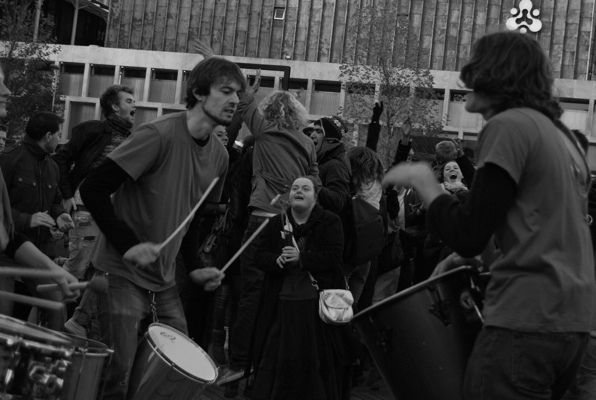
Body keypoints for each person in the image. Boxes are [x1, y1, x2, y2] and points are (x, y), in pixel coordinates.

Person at [383, 31, 594, 400]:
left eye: (474, 64)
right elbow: (539, 227)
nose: (465, 77)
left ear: (495, 74)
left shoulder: (509, 126)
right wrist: (467, 256)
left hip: (523, 320)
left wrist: (425, 184)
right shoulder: (561, 137)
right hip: (571, 325)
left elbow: (468, 231)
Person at [78, 57, 240, 400]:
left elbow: (192, 218)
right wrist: (128, 244)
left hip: (163, 280)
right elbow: (93, 187)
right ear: (197, 92)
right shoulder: (157, 134)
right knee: (116, 374)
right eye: (226, 91)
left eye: (237, 93)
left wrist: (195, 266)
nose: (235, 100)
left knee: (179, 373)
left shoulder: (220, 156)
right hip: (121, 271)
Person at [219, 89, 319, 390]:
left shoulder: (263, 129)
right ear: (297, 113)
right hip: (289, 226)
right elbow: (315, 181)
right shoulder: (306, 142)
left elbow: (244, 99)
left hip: (262, 218)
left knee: (251, 295)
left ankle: (238, 365)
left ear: (270, 111)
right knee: (278, 296)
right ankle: (265, 369)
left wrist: (219, 65)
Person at [249, 176, 351, 400]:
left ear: (315, 197)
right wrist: (275, 261)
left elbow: (334, 258)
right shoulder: (276, 222)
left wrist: (302, 258)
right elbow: (259, 256)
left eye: (306, 188)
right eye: (295, 188)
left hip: (314, 308)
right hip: (281, 305)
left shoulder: (330, 221)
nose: (299, 191)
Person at [53, 84, 136, 337]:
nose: (136, 105)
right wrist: (67, 196)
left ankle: (78, 321)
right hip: (88, 206)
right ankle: (47, 318)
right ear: (114, 106)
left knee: (104, 267)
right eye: (130, 100)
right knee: (78, 267)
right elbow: (61, 158)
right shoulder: (92, 130)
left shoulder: (135, 138)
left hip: (113, 213)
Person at [0, 63, 79, 311]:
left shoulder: (52, 166)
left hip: (30, 249)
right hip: (6, 258)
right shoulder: (10, 159)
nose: (7, 92)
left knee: (55, 307)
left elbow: (4, 232)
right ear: (47, 135)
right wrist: (27, 219)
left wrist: (60, 214)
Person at [305, 116, 351, 214]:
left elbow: (338, 201)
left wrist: (313, 183)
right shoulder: (323, 160)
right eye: (313, 131)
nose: (312, 135)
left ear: (330, 138)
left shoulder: (336, 165)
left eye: (318, 131)